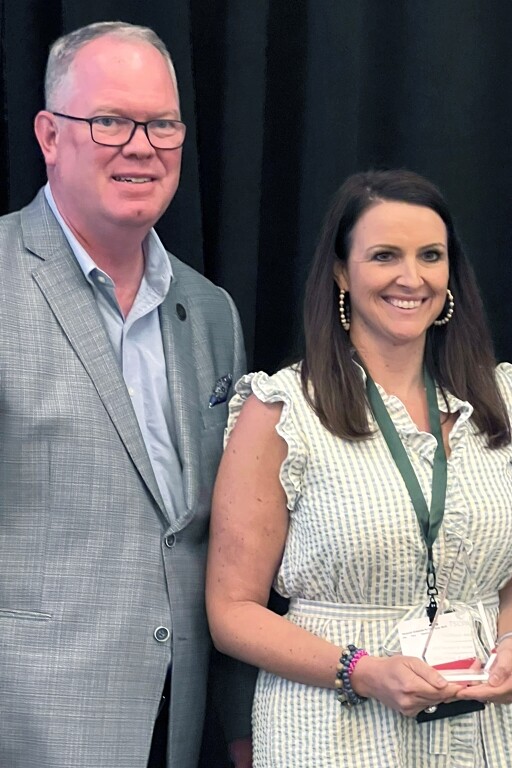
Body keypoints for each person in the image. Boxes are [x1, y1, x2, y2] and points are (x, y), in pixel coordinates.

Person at [206, 169, 512, 767]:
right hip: (335, 731)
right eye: (384, 255)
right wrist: (362, 671)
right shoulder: (283, 410)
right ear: (341, 271)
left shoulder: (503, 404)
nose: (411, 278)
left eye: (430, 256)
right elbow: (231, 611)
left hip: (495, 732)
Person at [0, 21, 255, 768]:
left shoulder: (212, 313)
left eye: (162, 122)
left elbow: (222, 543)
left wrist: (240, 730)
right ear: (49, 135)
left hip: (175, 729)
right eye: (110, 120)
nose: (141, 145)